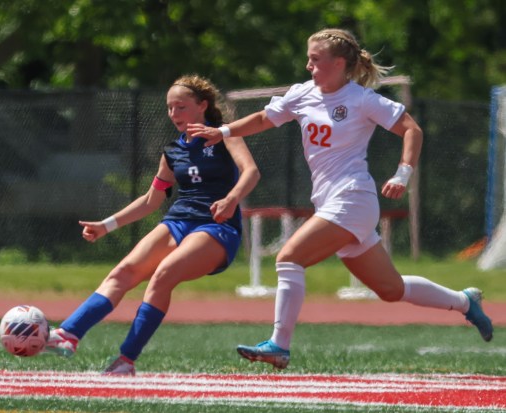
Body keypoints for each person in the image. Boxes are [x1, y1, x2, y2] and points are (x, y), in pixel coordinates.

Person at [187, 28, 493, 370]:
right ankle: (465, 301)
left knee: (289, 257)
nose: (308, 66)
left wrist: (402, 174)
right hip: (332, 203)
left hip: (353, 198)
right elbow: (263, 119)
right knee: (390, 289)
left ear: (340, 63)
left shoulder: (361, 99)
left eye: (315, 60)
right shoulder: (302, 94)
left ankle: (279, 345)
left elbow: (411, 128)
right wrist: (223, 132)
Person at [44, 74, 260, 375]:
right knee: (123, 272)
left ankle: (126, 360)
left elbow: (251, 171)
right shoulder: (173, 151)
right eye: (170, 108)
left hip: (217, 227)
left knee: (163, 275)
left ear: (203, 106)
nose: (174, 114)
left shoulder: (225, 135)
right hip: (179, 220)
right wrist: (106, 226)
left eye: (181, 107)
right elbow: (150, 201)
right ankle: (68, 335)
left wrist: (233, 198)